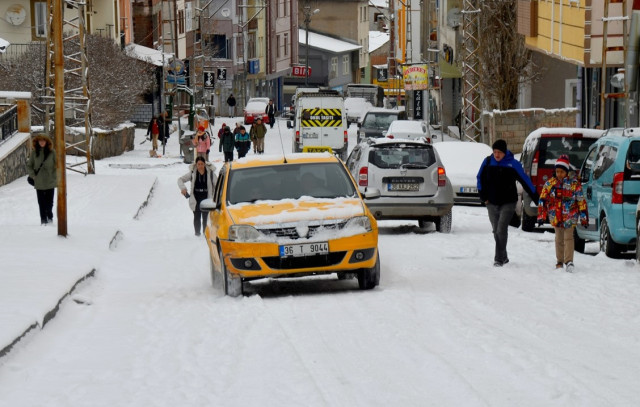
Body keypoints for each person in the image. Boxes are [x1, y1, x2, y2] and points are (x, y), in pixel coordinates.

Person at [476, 139, 538, 267]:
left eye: (499, 152)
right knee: (495, 231)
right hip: (491, 202)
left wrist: (536, 197)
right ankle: (503, 256)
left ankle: (498, 259)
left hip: (508, 202)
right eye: (495, 152)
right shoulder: (487, 162)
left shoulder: (513, 164)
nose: (496, 155)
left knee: (501, 229)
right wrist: (483, 197)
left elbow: (525, 181)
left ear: (505, 152)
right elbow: (479, 178)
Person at [537, 155, 589, 272]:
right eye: (557, 171)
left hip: (570, 216)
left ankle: (569, 261)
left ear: (566, 171)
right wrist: (541, 216)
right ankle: (559, 261)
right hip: (555, 216)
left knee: (568, 238)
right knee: (559, 239)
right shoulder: (550, 184)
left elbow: (581, 200)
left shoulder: (574, 184)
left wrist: (584, 217)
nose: (559, 174)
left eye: (562, 171)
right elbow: (542, 200)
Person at [177, 156, 217, 236]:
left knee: (206, 217)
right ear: (196, 165)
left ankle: (205, 234)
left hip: (207, 197)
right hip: (196, 197)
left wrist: (216, 195)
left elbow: (217, 184)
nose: (200, 166)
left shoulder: (210, 173)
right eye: (198, 164)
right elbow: (180, 180)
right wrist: (183, 188)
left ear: (204, 164)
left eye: (202, 164)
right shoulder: (192, 173)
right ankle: (197, 234)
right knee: (196, 217)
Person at [26, 134, 57, 225]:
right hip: (39, 181)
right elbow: (29, 166)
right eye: (40, 141)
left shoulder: (52, 152)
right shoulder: (34, 153)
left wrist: (55, 176)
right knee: (41, 202)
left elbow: (58, 165)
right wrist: (33, 175)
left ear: (47, 142)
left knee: (49, 202)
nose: (42, 142)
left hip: (50, 181)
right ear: (37, 142)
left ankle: (50, 216)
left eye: (43, 140)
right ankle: (43, 220)